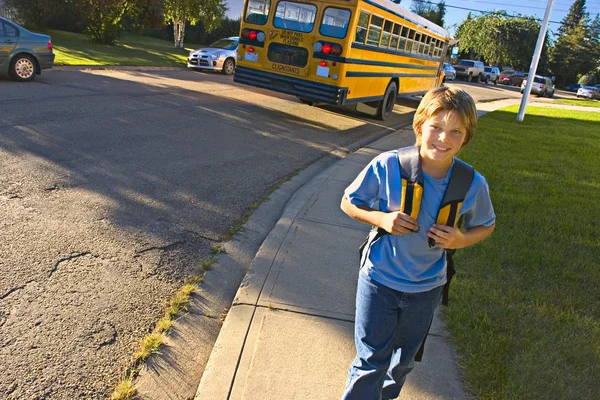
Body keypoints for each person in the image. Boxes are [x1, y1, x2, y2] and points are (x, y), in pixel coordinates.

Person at [340, 86, 496, 400]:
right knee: (371, 358)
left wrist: (461, 238)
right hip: (379, 279)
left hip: (426, 288)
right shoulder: (389, 166)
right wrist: (382, 220)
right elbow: (349, 202)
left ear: (466, 137)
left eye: (455, 132)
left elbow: (486, 225)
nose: (442, 138)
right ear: (419, 125)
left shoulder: (472, 184)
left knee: (401, 363)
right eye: (436, 127)